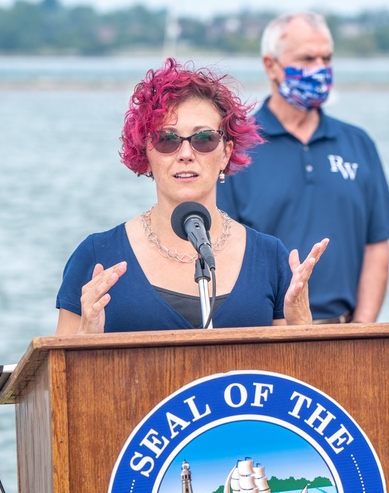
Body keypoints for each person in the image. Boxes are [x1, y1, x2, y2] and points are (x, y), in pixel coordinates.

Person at [56, 58, 328, 335]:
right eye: (167, 140)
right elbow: (59, 375)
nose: (186, 154)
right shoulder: (96, 256)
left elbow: (289, 375)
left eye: (203, 139)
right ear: (145, 154)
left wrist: (301, 324)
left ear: (225, 153)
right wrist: (85, 338)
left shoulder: (270, 258)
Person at [216, 11, 389, 324]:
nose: (320, 69)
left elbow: (377, 245)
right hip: (266, 335)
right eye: (307, 59)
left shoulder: (358, 144)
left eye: (327, 59)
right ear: (270, 66)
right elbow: (221, 251)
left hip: (343, 331)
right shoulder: (235, 147)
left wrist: (362, 329)